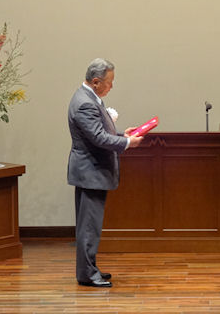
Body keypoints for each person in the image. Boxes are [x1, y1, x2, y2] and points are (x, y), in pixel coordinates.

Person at [67, 58, 143, 288]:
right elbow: (98, 138)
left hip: (91, 171)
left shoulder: (88, 98)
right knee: (89, 226)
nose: (112, 86)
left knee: (90, 225)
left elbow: (100, 130)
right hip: (91, 172)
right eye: (109, 82)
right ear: (96, 81)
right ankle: (88, 274)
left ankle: (89, 269)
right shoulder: (85, 103)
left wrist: (121, 134)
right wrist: (127, 143)